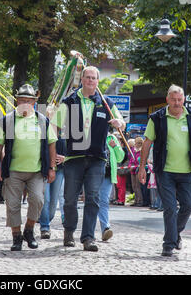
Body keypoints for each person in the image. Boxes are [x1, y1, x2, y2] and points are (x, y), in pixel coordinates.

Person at [52, 66, 125, 252]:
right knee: (69, 199)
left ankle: (88, 238)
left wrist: (119, 123)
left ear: (97, 81)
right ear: (82, 79)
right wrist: (53, 149)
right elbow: (54, 126)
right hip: (74, 157)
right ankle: (69, 232)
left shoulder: (106, 102)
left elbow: (121, 122)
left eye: (94, 78)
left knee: (93, 199)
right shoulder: (69, 101)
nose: (91, 80)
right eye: (88, 77)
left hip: (97, 158)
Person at [138, 84, 191, 257]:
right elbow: (147, 143)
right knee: (169, 207)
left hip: (187, 171)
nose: (177, 103)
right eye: (173, 99)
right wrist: (141, 167)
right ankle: (168, 244)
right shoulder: (157, 118)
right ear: (167, 99)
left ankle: (174, 234)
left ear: (184, 99)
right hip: (165, 171)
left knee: (190, 204)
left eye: (180, 99)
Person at [0, 84, 57, 251]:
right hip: (13, 170)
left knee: (38, 199)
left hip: (36, 171)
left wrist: (52, 168)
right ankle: (16, 237)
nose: (25, 103)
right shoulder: (8, 120)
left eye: (29, 101)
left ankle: (29, 229)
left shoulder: (42, 120)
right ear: (17, 101)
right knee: (12, 204)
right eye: (22, 100)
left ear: (34, 102)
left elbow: (51, 145)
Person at [39, 129, 66, 239]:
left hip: (60, 170)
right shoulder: (44, 130)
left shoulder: (67, 132)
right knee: (46, 199)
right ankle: (45, 227)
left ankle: (46, 218)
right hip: (45, 169)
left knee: (54, 201)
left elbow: (73, 149)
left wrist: (65, 158)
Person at [97, 132, 125, 241]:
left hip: (107, 175)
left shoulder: (111, 137)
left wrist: (116, 146)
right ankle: (88, 231)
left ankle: (105, 228)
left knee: (103, 201)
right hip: (92, 174)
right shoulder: (92, 133)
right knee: (92, 202)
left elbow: (120, 158)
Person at [114, 137, 129, 206]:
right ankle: (119, 199)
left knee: (121, 186)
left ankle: (121, 200)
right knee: (118, 185)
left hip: (121, 169)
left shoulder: (124, 149)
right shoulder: (120, 149)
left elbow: (123, 159)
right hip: (118, 168)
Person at [129, 136, 143, 206]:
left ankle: (140, 201)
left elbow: (139, 161)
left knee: (138, 186)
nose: (136, 144)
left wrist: (133, 167)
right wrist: (130, 166)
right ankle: (136, 200)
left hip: (137, 170)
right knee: (134, 186)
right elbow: (131, 159)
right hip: (132, 170)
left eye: (137, 143)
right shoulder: (133, 150)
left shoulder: (141, 151)